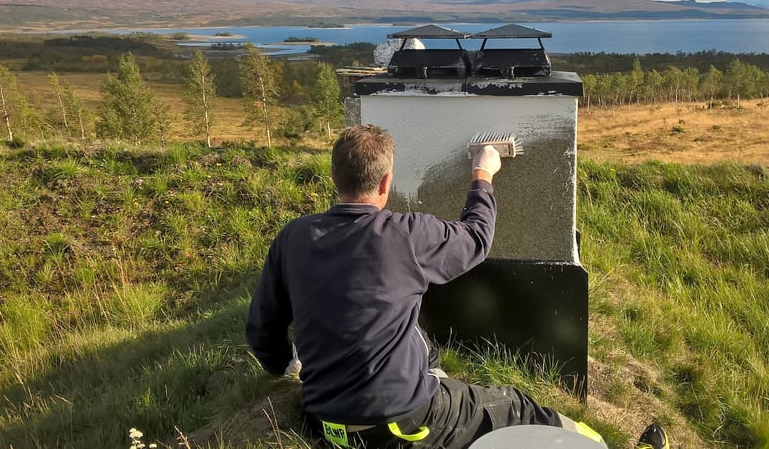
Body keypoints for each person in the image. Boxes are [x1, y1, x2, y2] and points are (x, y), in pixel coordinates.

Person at [246, 124, 658, 448]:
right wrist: (483, 171)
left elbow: (262, 329)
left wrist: (288, 365)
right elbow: (477, 238)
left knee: (420, 342)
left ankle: (432, 380)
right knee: (518, 407)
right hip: (400, 424)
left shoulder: (293, 237)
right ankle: (600, 445)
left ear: (335, 177)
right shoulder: (406, 234)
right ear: (386, 183)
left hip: (326, 423)